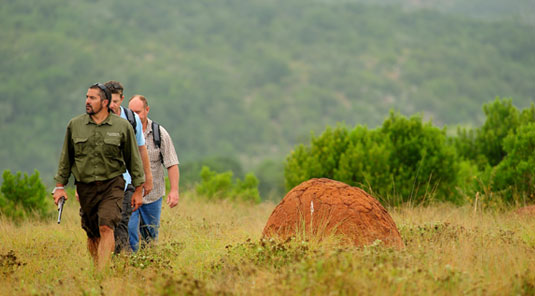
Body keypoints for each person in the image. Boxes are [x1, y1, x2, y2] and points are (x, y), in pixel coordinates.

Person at [52, 83, 145, 271]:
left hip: (113, 185)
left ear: (104, 102)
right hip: (86, 187)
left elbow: (134, 160)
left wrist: (139, 190)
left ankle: (102, 274)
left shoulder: (122, 126)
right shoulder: (75, 125)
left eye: (92, 98)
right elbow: (66, 158)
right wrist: (60, 186)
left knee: (106, 226)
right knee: (92, 233)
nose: (87, 101)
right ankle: (97, 268)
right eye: (87, 97)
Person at [104, 80, 153, 254]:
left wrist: (147, 179)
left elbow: (142, 149)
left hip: (125, 181)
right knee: (102, 227)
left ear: (122, 99)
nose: (112, 105)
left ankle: (123, 264)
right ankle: (107, 264)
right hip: (100, 183)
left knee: (121, 223)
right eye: (108, 101)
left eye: (115, 101)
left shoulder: (132, 120)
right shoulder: (95, 119)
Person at [127, 95, 180, 252]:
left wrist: (174, 190)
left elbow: (171, 163)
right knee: (130, 233)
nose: (135, 116)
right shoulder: (123, 131)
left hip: (153, 195)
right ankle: (132, 266)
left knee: (150, 236)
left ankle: (149, 268)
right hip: (129, 194)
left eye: (138, 112)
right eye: (131, 112)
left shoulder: (159, 133)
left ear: (147, 110)